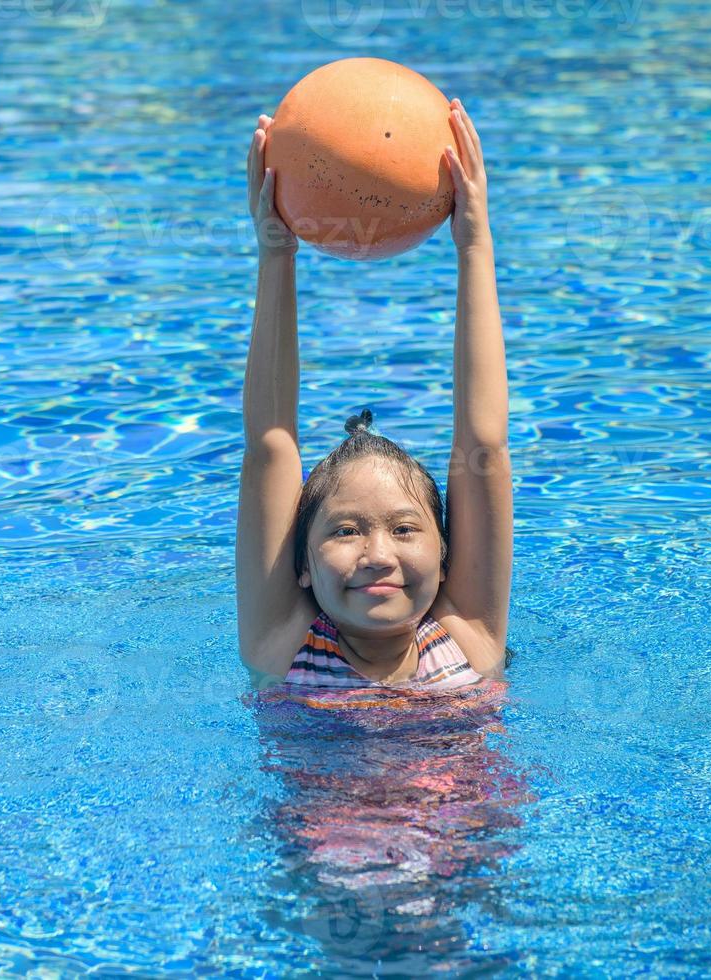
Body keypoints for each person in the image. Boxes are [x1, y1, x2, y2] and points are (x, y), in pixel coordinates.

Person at [236, 97, 513, 693]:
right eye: (344, 531)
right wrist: (276, 252)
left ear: (446, 558)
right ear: (303, 568)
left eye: (407, 529)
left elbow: (483, 446)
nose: (378, 554)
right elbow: (270, 445)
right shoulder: (278, 644)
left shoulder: (472, 636)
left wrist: (474, 243)